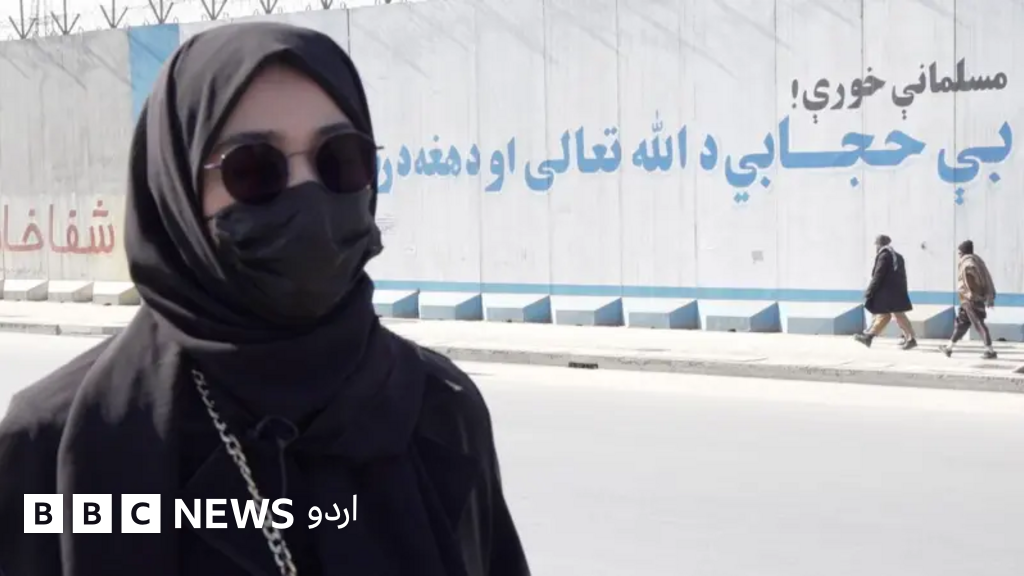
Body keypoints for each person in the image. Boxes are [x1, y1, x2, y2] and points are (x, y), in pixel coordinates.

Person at [0, 22, 530, 576]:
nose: (307, 193)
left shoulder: (441, 410)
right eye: (253, 168)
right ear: (177, 192)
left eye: (340, 158)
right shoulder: (59, 445)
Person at [855, 235, 918, 350]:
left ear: (880, 244)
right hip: (896, 291)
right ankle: (869, 337)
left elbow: (878, 275)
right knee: (885, 314)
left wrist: (870, 291)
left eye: (877, 244)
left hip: (889, 293)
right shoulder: (897, 256)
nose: (876, 247)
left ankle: (911, 339)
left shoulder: (884, 256)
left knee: (897, 314)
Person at [940, 240, 998, 359]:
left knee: (979, 323)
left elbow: (971, 279)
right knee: (962, 324)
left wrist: (972, 294)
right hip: (967, 299)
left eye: (959, 252)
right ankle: (949, 348)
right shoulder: (977, 260)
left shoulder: (968, 263)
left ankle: (990, 351)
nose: (959, 255)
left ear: (963, 252)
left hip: (970, 299)